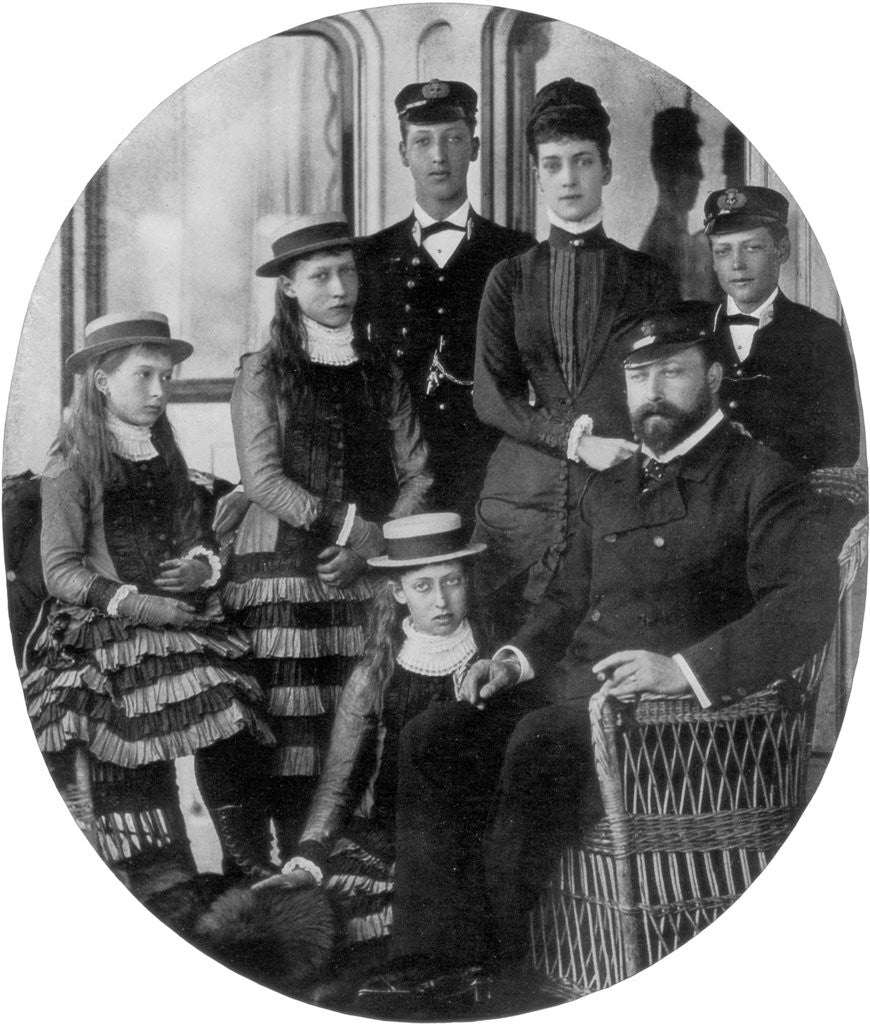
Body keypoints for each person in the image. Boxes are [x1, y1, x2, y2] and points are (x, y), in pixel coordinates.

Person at [379, 302, 840, 1008]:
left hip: (674, 724)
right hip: (577, 694)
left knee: (536, 740)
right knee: (433, 734)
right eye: (638, 376)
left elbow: (802, 610)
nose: (652, 392)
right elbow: (564, 600)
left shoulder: (759, 477)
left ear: (714, 377)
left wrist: (680, 672)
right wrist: (509, 661)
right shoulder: (612, 480)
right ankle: (425, 959)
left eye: (672, 373)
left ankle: (495, 976)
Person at [21, 311, 274, 888]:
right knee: (166, 711)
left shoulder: (164, 453)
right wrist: (142, 605)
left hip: (181, 619)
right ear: (102, 382)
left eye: (167, 377)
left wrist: (197, 567)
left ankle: (246, 867)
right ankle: (163, 872)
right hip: (106, 628)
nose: (161, 391)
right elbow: (61, 571)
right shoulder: (71, 462)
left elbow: (196, 534)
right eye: (145, 376)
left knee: (236, 706)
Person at [220, 212, 431, 875]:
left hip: (365, 574)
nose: (340, 288)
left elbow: (419, 473)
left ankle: (334, 884)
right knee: (287, 744)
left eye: (347, 271)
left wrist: (374, 548)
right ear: (288, 286)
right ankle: (274, 892)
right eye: (320, 276)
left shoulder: (381, 367)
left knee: (358, 728)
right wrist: (349, 528)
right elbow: (262, 479)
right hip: (283, 573)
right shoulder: (263, 370)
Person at [473, 78, 679, 639]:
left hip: (618, 485)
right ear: (537, 174)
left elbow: (664, 387)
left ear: (606, 169)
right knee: (510, 650)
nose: (569, 178)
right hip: (521, 498)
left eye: (583, 161)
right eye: (554, 163)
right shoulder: (510, 278)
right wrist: (571, 441)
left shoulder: (649, 277)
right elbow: (492, 395)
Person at [254, 514, 486, 993]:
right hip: (386, 838)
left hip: (470, 838)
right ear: (399, 592)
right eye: (422, 586)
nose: (440, 600)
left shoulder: (498, 659)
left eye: (452, 582)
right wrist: (310, 852)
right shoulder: (375, 673)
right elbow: (338, 783)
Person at [355, 80, 535, 529]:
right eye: (423, 142)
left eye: (453, 139)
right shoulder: (368, 258)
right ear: (402, 152)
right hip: (395, 481)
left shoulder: (518, 254)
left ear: (473, 148)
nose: (439, 156)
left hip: (494, 477)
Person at [705, 185, 860, 472]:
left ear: (782, 249)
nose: (737, 264)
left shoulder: (819, 335)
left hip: (785, 501)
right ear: (713, 260)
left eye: (752, 247)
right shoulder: (695, 333)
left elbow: (842, 445)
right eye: (723, 251)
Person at [638, 106, 718, 301]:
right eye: (689, 165)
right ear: (662, 171)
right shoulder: (661, 250)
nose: (700, 175)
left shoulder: (683, 243)